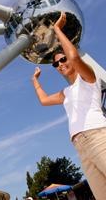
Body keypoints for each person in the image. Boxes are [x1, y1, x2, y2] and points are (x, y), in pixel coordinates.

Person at [32, 11, 106, 199]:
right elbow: (43, 100)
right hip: (80, 145)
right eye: (56, 64)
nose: (60, 64)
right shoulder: (66, 92)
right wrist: (35, 81)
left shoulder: (89, 78)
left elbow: (74, 57)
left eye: (62, 59)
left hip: (97, 135)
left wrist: (57, 30)